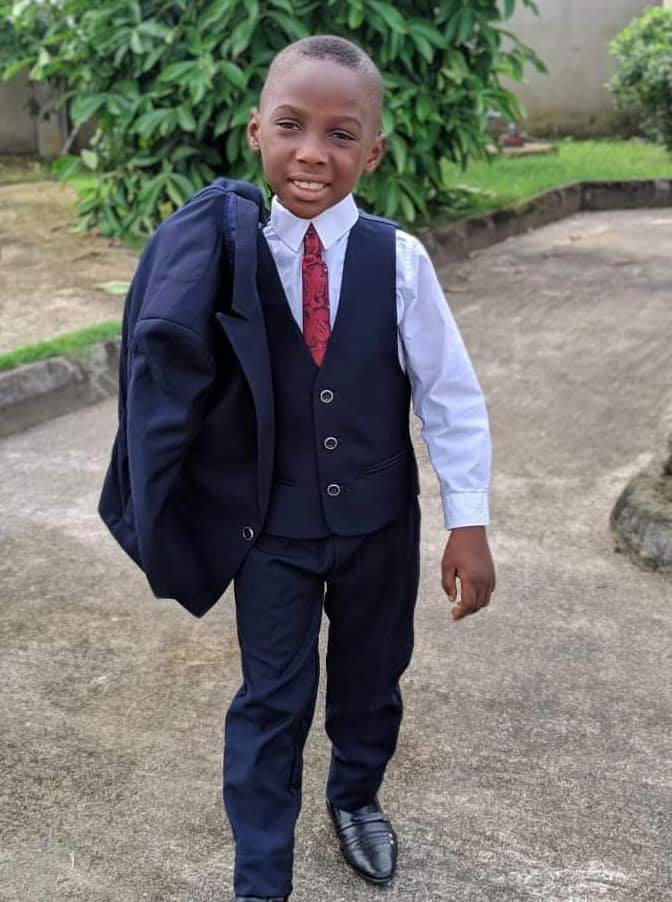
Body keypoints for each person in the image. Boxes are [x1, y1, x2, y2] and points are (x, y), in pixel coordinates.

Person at [99, 33, 495, 902]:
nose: (313, 152)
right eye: (291, 126)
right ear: (256, 133)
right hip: (271, 531)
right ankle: (260, 876)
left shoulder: (400, 260)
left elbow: (450, 396)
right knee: (271, 699)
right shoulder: (223, 257)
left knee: (370, 680)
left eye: (341, 134)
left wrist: (468, 522)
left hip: (378, 526)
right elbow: (170, 366)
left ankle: (355, 797)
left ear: (373, 151)